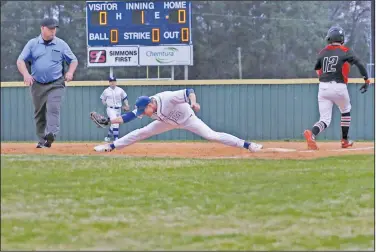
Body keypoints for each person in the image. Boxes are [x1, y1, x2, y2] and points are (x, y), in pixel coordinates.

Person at [90, 88, 263, 152]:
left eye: (146, 110)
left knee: (212, 136)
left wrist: (194, 103)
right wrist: (109, 121)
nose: (145, 113)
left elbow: (189, 91)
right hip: (166, 122)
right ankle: (110, 146)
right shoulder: (146, 107)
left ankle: (248, 145)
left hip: (188, 118)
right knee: (140, 132)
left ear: (151, 103)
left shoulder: (167, 97)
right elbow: (127, 117)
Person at [303, 26, 370, 150]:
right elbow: (359, 63)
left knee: (325, 119)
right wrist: (366, 79)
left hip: (323, 88)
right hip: (339, 86)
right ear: (341, 38)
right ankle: (344, 140)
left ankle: (312, 133)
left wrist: (323, 76)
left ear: (329, 38)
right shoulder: (344, 50)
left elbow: (317, 68)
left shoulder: (323, 51)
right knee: (345, 110)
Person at [16, 17, 78, 148]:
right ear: (42, 28)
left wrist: (70, 72)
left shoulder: (61, 44)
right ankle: (42, 139)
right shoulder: (32, 44)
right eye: (50, 29)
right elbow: (20, 61)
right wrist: (26, 74)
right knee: (39, 113)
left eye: (54, 28)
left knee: (53, 108)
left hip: (56, 83)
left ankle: (51, 134)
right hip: (37, 84)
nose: (53, 31)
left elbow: (73, 60)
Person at [100, 76, 130, 142]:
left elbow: (125, 97)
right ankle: (116, 139)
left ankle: (108, 137)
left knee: (115, 123)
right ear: (109, 82)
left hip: (118, 109)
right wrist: (106, 104)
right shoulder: (106, 91)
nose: (112, 83)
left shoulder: (120, 90)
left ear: (116, 82)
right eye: (111, 81)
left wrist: (127, 105)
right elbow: (102, 99)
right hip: (110, 109)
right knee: (115, 122)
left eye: (114, 81)